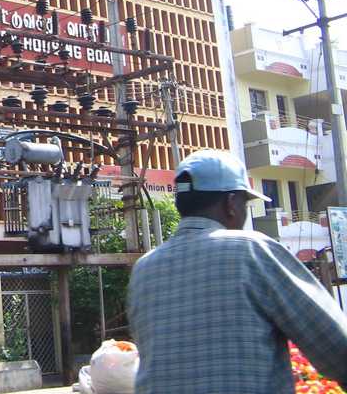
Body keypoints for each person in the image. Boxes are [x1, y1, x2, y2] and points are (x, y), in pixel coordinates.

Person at [127, 149, 347, 393]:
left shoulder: (143, 269)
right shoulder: (251, 251)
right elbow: (336, 346)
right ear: (231, 204)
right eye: (244, 203)